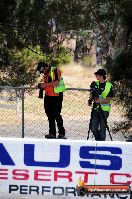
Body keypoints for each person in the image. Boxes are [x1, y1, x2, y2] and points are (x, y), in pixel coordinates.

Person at [39, 61, 66, 139]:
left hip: (56, 95)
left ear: (46, 67)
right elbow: (48, 84)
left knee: (56, 114)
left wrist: (45, 85)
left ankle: (61, 133)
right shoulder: (46, 73)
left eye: (43, 70)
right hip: (48, 96)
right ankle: (52, 133)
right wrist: (42, 85)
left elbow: (56, 82)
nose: (42, 72)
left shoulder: (55, 70)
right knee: (49, 114)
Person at [88, 69, 113, 141]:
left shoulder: (109, 86)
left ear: (101, 76)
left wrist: (100, 101)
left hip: (105, 110)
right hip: (96, 108)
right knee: (93, 128)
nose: (95, 76)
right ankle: (98, 141)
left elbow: (108, 99)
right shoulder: (95, 83)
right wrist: (90, 100)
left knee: (103, 128)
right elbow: (93, 95)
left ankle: (102, 142)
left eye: (97, 74)